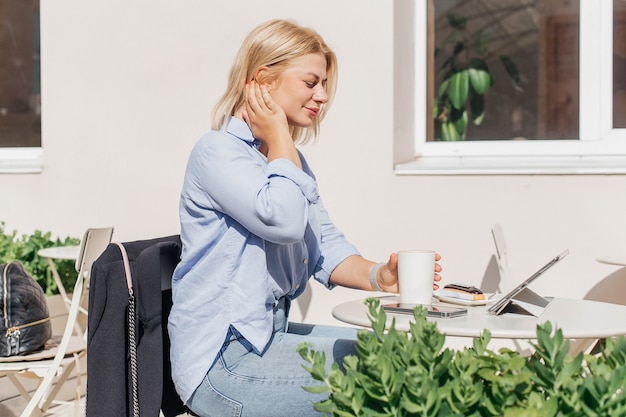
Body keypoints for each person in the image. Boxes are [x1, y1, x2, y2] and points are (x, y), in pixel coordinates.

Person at [168, 19, 442, 417]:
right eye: (311, 82)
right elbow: (283, 222)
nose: (323, 96)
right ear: (263, 80)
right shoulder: (217, 152)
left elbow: (322, 246)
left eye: (325, 85)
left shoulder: (285, 162)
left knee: (401, 354)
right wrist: (280, 138)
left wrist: (381, 275)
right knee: (392, 380)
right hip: (223, 363)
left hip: (269, 339)